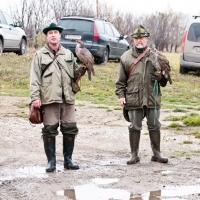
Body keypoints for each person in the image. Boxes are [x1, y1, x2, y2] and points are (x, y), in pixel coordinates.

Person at [30, 23, 89, 172]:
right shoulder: (39, 55)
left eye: (56, 32)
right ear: (46, 36)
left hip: (67, 98)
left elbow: (74, 74)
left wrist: (80, 71)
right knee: (49, 130)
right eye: (50, 33)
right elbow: (34, 78)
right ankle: (51, 162)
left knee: (70, 128)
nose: (53, 35)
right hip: (49, 98)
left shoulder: (68, 54)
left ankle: (68, 160)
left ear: (60, 35)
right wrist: (35, 97)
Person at [115, 25, 171, 165]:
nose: (139, 40)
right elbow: (120, 81)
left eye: (142, 38)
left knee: (155, 126)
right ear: (133, 39)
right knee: (134, 126)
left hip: (152, 97)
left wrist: (161, 78)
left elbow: (165, 80)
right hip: (134, 98)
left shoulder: (156, 55)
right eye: (136, 38)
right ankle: (134, 155)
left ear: (147, 38)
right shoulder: (126, 57)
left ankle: (156, 154)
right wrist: (121, 96)